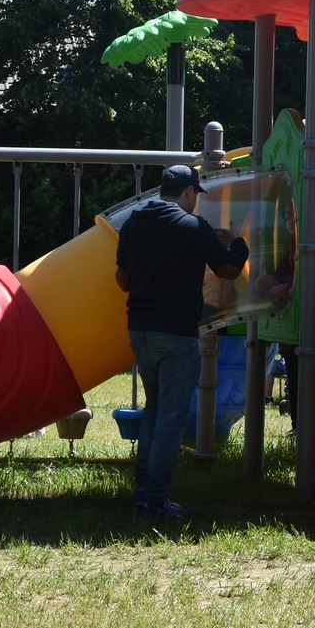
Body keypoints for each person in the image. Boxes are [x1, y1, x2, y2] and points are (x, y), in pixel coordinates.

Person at [113, 165, 249, 519]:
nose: (195, 202)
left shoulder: (133, 224)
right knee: (170, 418)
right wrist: (238, 243)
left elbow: (122, 280)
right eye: (196, 196)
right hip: (176, 333)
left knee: (154, 410)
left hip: (140, 331)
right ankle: (158, 502)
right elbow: (228, 270)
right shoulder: (193, 227)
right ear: (189, 192)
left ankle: (143, 493)